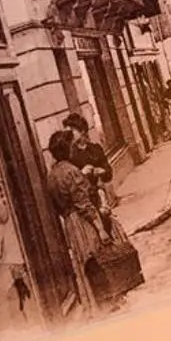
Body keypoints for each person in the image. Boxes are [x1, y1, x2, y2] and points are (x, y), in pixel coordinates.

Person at [45, 128, 104, 316]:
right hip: (81, 221)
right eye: (71, 146)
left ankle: (92, 303)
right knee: (94, 257)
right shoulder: (71, 171)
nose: (74, 148)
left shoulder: (52, 174)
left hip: (69, 223)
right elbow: (83, 204)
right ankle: (104, 302)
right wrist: (100, 228)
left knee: (81, 262)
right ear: (67, 149)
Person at [63, 113, 114, 213]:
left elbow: (109, 174)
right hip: (84, 201)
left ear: (82, 131)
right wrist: (82, 173)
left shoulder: (95, 149)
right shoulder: (69, 156)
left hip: (100, 198)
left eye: (72, 131)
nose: (69, 135)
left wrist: (101, 171)